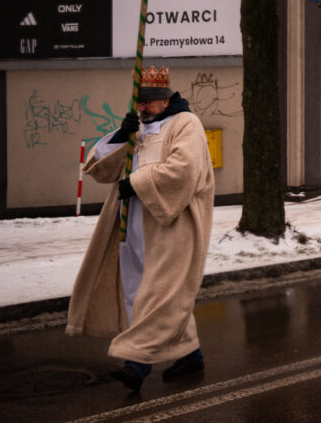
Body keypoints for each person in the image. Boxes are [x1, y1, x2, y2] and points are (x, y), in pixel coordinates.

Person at [67, 67, 215, 391]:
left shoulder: (185, 124)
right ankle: (191, 355)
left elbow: (185, 171)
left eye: (149, 102)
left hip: (172, 229)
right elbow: (100, 168)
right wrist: (122, 135)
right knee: (140, 292)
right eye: (140, 102)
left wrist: (136, 183)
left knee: (158, 295)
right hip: (132, 225)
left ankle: (137, 365)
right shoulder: (141, 128)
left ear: (165, 99)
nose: (143, 108)